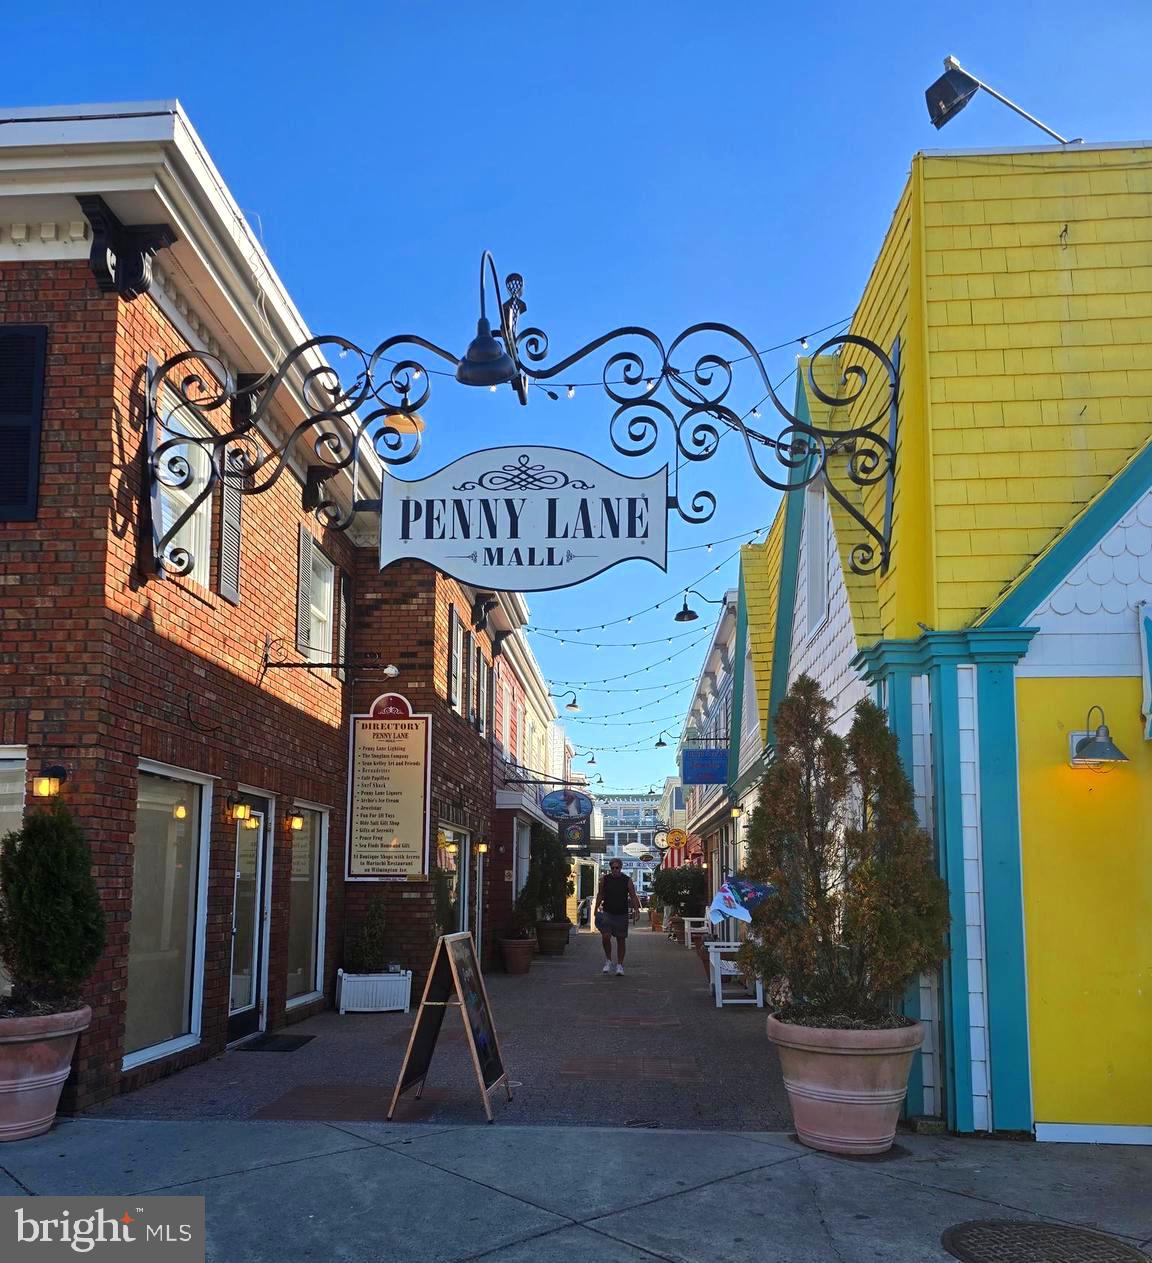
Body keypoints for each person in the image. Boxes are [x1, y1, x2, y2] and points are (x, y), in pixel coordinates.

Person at [594, 857, 641, 975]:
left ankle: (619, 965)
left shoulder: (627, 880)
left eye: (617, 868)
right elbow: (600, 894)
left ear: (621, 868)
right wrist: (596, 908)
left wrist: (637, 910)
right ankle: (608, 960)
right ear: (610, 868)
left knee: (621, 939)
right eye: (613, 868)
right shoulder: (605, 880)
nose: (615, 870)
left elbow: (633, 895)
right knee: (606, 937)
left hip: (622, 913)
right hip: (608, 912)